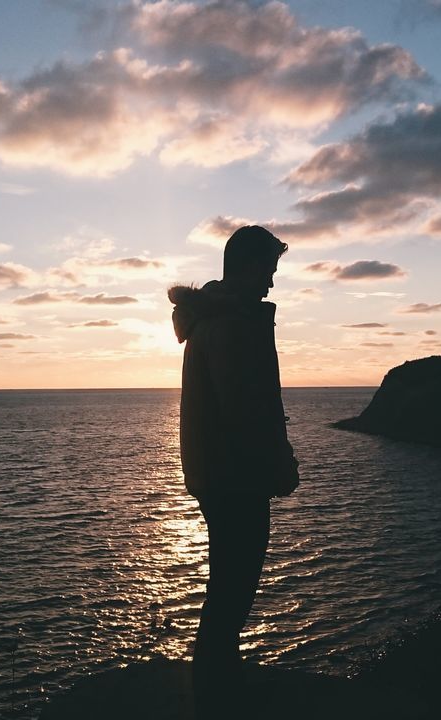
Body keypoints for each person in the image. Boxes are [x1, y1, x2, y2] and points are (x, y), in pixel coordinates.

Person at [167, 225, 300, 708]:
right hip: (234, 474)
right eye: (267, 270)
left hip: (219, 471)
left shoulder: (216, 319)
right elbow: (247, 407)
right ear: (245, 267)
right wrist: (277, 464)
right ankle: (217, 688)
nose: (270, 282)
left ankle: (219, 676)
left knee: (229, 577)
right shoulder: (232, 324)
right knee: (234, 581)